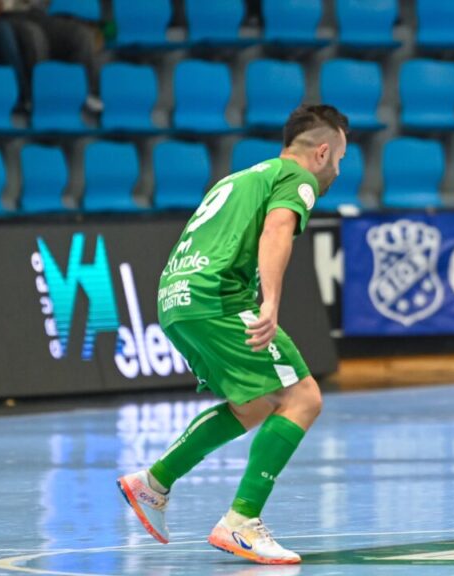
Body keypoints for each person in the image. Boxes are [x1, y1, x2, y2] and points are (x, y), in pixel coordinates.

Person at [117, 104, 348, 565]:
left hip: (175, 299)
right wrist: (270, 302)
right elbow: (277, 230)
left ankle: (154, 482)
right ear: (322, 152)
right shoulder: (296, 178)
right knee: (303, 398)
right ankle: (242, 521)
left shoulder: (238, 178)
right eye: (340, 159)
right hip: (217, 297)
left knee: (255, 403)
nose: (338, 170)